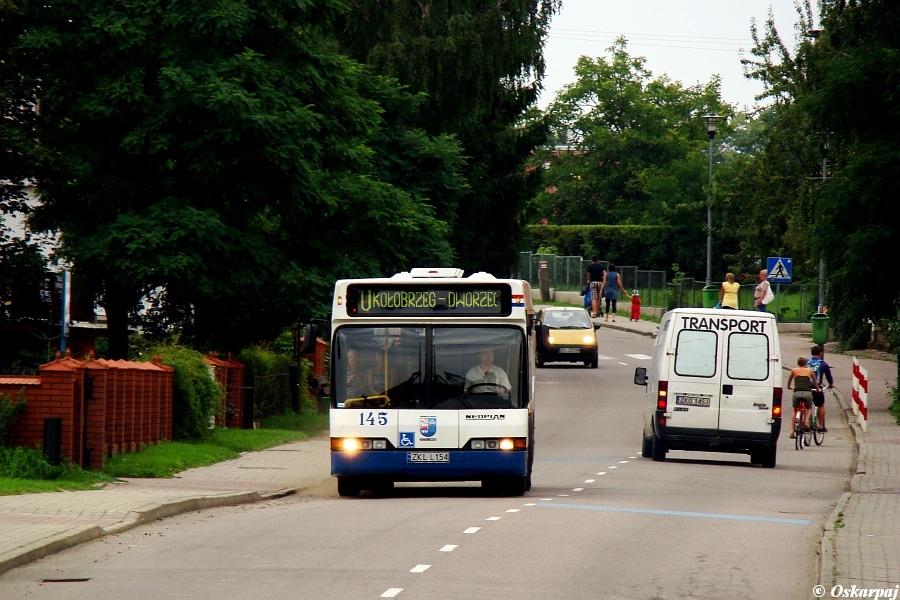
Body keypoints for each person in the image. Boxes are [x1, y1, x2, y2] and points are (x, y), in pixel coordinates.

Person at [786, 356, 821, 439]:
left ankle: (792, 431)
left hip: (797, 393)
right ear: (806, 363)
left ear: (798, 363)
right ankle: (806, 421)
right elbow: (815, 382)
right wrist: (817, 389)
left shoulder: (794, 370)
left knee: (795, 410)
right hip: (807, 393)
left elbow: (789, 381)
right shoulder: (810, 371)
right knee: (808, 408)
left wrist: (789, 387)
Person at [806, 345, 834, 432]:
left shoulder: (805, 362)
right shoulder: (823, 364)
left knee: (807, 405)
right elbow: (829, 377)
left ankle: (806, 423)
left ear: (811, 353)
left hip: (805, 387)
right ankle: (821, 426)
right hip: (816, 387)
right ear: (820, 353)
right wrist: (831, 384)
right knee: (820, 405)